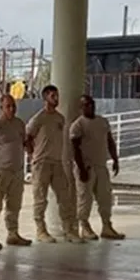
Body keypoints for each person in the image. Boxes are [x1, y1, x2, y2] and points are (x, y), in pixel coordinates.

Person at [25, 85, 83, 243]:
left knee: (64, 197)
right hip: (42, 162)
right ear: (45, 99)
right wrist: (32, 155)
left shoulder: (60, 118)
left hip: (57, 162)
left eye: (57, 95)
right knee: (40, 198)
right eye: (52, 96)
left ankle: (69, 229)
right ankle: (41, 230)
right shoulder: (39, 118)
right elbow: (27, 136)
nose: (56, 99)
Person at [70, 94, 125, 240]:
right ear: (81, 108)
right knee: (85, 198)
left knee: (105, 197)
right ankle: (84, 226)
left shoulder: (102, 122)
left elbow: (109, 140)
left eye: (92, 104)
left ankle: (107, 225)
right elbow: (75, 148)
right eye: (86, 105)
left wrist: (115, 159)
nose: (90, 107)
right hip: (86, 167)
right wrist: (81, 168)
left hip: (101, 165)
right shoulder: (78, 125)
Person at [0, 93, 31, 249]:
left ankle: (13, 233)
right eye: (8, 106)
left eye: (13, 106)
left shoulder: (19, 124)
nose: (12, 109)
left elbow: (24, 142)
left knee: (14, 204)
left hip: (17, 170)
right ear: (1, 108)